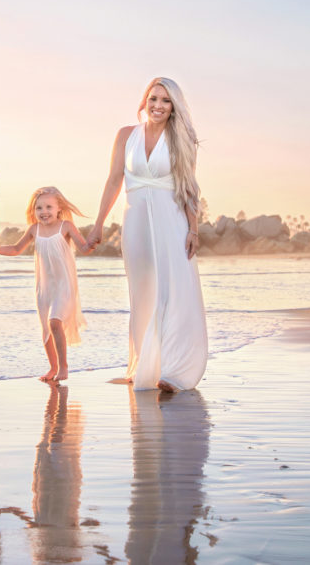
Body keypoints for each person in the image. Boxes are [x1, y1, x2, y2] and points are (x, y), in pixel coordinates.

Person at [86, 77, 208, 392]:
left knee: (172, 290)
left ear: (174, 106)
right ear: (145, 100)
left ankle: (173, 369)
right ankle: (144, 363)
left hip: (172, 221)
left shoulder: (182, 139)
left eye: (165, 101)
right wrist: (99, 223)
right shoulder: (126, 135)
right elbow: (114, 179)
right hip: (135, 220)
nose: (157, 106)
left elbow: (188, 187)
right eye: (153, 98)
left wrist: (193, 228)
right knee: (142, 293)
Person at [0, 187, 90, 382]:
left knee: (54, 322)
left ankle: (63, 367)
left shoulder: (66, 226)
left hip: (64, 285)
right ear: (33, 211)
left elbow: (84, 247)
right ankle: (52, 367)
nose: (44, 211)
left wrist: (92, 242)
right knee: (46, 328)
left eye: (48, 206)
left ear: (59, 208)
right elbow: (15, 249)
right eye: (39, 208)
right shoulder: (34, 229)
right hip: (45, 287)